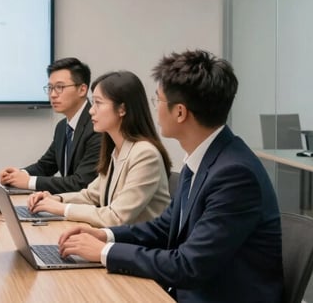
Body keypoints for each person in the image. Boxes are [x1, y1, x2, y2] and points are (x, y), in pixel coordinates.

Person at [58, 50, 283, 302]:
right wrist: (106, 236)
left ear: (180, 112)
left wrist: (105, 252)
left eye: (159, 101)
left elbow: (188, 265)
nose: (155, 110)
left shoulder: (234, 174)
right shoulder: (202, 157)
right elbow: (165, 227)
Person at [27, 71, 171, 227]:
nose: (91, 110)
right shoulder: (117, 149)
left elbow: (115, 217)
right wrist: (57, 199)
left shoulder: (145, 154)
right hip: (118, 241)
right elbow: (91, 195)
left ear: (122, 109)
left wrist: (62, 208)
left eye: (98, 103)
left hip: (139, 247)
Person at [0, 57, 102, 193]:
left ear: (82, 90)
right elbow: (45, 166)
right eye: (50, 88)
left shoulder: (97, 127)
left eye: (60, 87)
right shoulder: (62, 127)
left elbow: (81, 182)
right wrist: (17, 175)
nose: (52, 95)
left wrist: (29, 181)